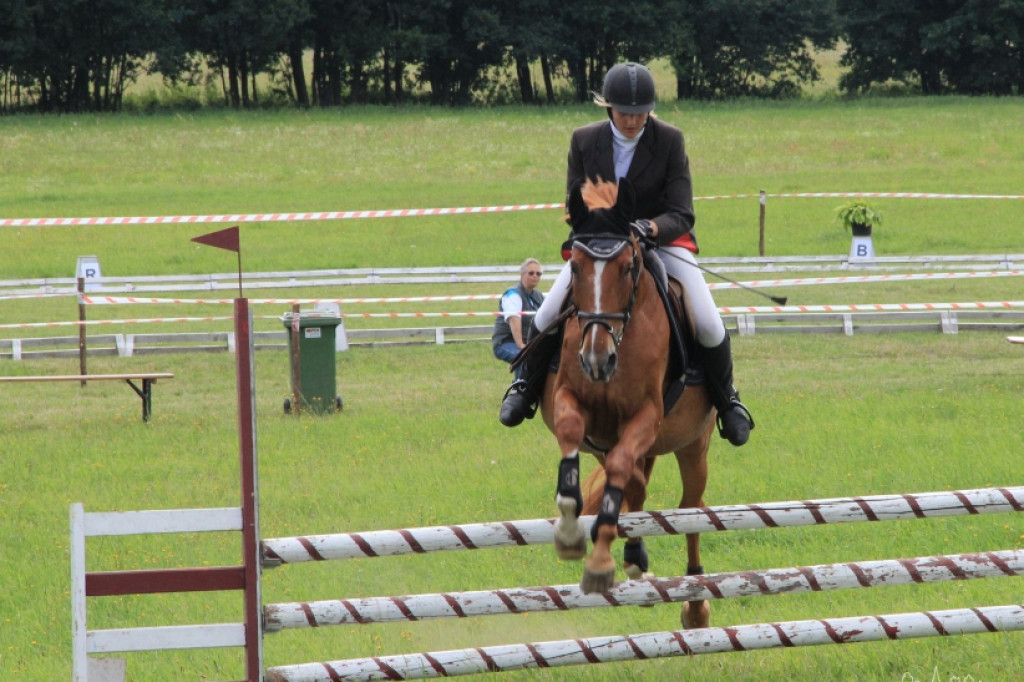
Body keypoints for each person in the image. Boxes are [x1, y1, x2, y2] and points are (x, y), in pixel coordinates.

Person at [498, 61, 754, 446]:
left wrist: (648, 228)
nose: (633, 121)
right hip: (601, 248)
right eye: (624, 112)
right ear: (608, 107)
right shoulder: (584, 140)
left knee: (706, 319)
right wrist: (608, 232)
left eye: (640, 113)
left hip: (660, 242)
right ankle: (525, 387)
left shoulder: (669, 140)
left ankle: (728, 399)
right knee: (549, 310)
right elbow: (576, 207)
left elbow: (682, 212)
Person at [492, 258, 545, 376]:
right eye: (531, 273)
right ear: (522, 274)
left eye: (538, 273)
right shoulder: (513, 294)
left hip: (529, 343)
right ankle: (520, 392)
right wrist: (521, 345)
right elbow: (514, 319)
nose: (535, 276)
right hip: (506, 342)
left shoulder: (539, 296)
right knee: (524, 358)